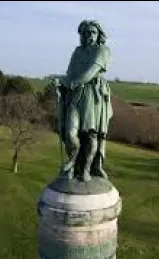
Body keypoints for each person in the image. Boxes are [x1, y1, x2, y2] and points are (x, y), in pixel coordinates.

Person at [54, 20, 112, 182]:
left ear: (99, 34)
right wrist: (60, 81)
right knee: (70, 133)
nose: (89, 36)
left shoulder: (102, 50)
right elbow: (70, 74)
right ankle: (72, 161)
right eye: (85, 33)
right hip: (75, 95)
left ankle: (86, 169)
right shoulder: (77, 52)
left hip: (93, 97)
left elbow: (90, 73)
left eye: (93, 32)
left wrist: (69, 82)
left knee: (90, 136)